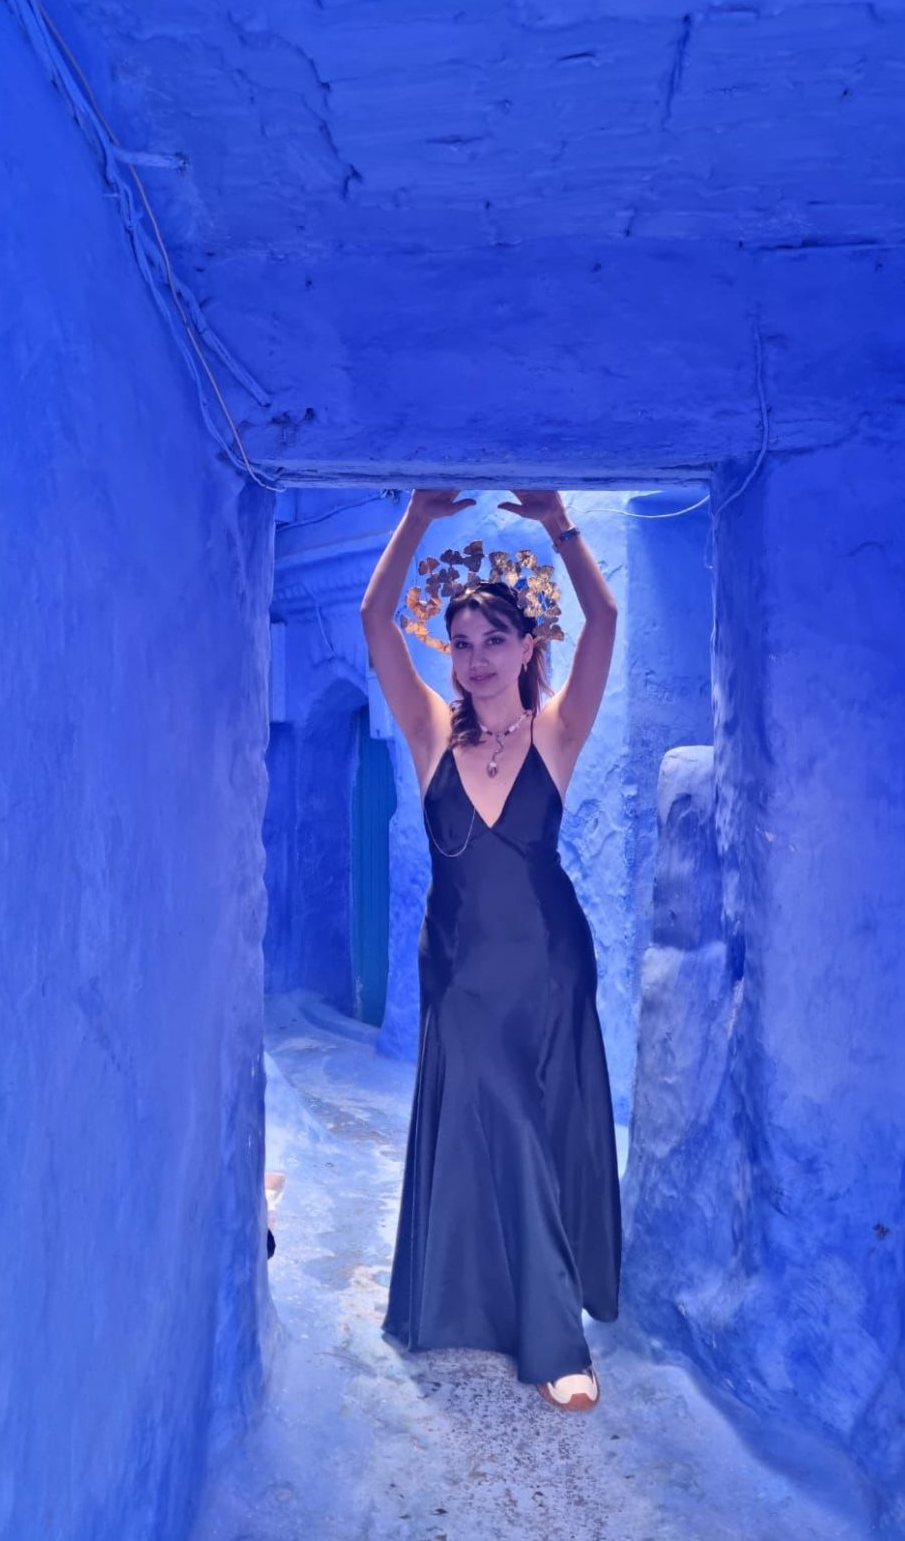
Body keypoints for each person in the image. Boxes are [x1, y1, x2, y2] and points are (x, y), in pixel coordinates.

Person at [359, 487, 622, 1412]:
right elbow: (374, 619)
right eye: (462, 643)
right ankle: (555, 1341)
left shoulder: (557, 731)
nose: (474, 660)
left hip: (550, 967)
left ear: (526, 646)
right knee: (501, 1117)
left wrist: (560, 526)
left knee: (539, 1133)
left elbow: (607, 620)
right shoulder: (432, 730)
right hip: (462, 975)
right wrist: (416, 519)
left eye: (493, 642)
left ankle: (531, 1303)